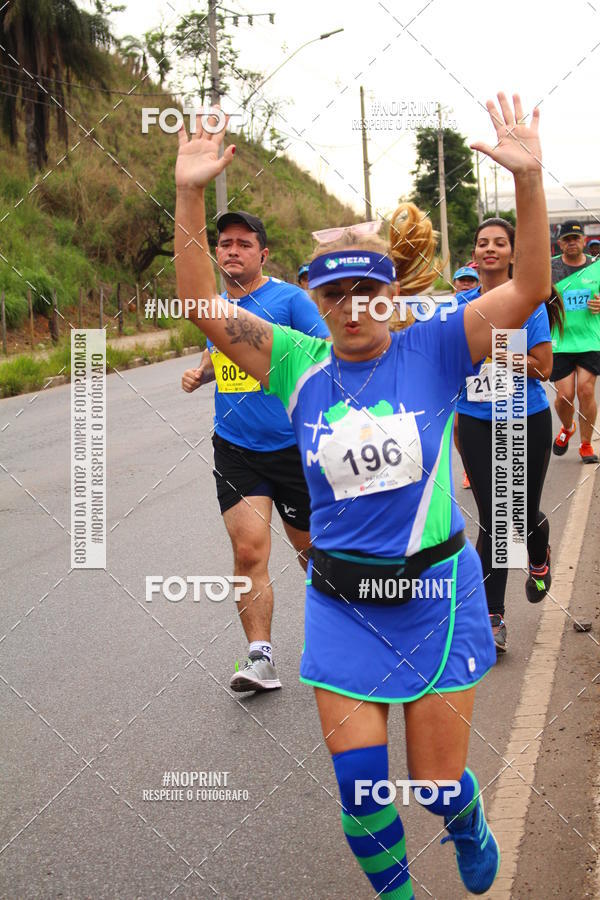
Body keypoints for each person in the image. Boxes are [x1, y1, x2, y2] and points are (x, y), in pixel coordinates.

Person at [174, 94, 550, 897]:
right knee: (360, 791)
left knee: (438, 783)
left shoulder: (438, 345)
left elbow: (527, 290)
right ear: (315, 299)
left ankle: (465, 817)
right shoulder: (294, 361)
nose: (351, 308)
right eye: (334, 294)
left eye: (365, 292)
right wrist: (188, 194)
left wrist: (529, 179)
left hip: (434, 596)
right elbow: (205, 305)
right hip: (345, 601)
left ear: (389, 294)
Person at [181, 209, 329, 693]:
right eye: (224, 243)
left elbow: (326, 357)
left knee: (314, 556)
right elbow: (219, 348)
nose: (232, 251)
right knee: (247, 552)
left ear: (262, 254)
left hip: (293, 448)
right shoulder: (216, 306)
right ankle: (260, 657)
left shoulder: (290, 300)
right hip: (236, 448)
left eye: (244, 244)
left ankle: (338, 635)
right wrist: (202, 372)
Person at [455, 217, 562, 653]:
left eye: (500, 243)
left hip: (525, 417)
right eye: (483, 243)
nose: (491, 249)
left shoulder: (529, 303)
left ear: (513, 254)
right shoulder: (459, 304)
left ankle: (538, 553)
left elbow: (544, 366)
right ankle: (492, 618)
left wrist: (495, 346)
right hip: (477, 420)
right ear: (475, 254)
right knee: (495, 517)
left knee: (518, 514)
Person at [550, 220, 600, 463]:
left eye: (576, 238)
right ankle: (567, 427)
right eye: (567, 239)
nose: (571, 243)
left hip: (590, 339)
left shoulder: (597, 266)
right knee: (564, 396)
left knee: (586, 390)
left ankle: (586, 444)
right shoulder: (550, 269)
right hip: (559, 340)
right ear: (560, 243)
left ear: (583, 241)